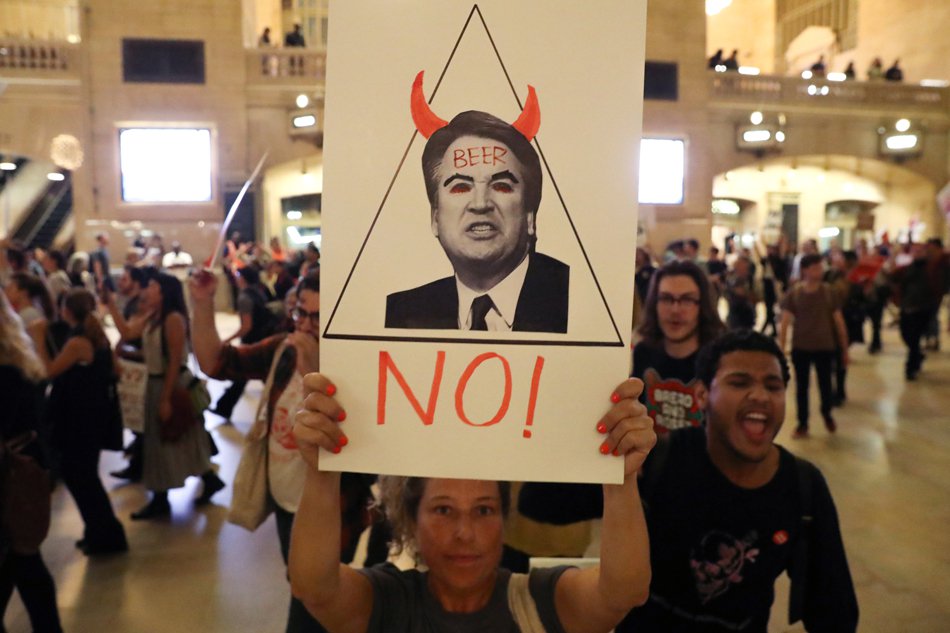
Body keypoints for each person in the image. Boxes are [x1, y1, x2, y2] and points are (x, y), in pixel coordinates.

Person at [288, 373, 656, 633]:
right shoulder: (388, 602)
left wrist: (621, 479)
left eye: (483, 510)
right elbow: (314, 586)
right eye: (443, 510)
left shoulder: (540, 602)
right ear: (411, 520)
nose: (465, 533)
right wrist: (321, 471)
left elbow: (623, 590)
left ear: (504, 519)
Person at [616, 329, 859, 632]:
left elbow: (834, 614)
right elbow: (556, 508)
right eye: (739, 382)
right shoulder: (659, 460)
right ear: (702, 395)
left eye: (773, 386)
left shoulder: (802, 486)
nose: (759, 395)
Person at [191, 271, 374, 632]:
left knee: (316, 597)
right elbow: (215, 362)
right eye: (300, 313)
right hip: (286, 501)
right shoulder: (282, 350)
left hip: (332, 506)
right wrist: (202, 303)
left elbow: (355, 441)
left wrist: (315, 369)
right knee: (299, 584)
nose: (304, 325)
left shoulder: (361, 363)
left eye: (317, 317)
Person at [386, 74, 569, 333]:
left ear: (530, 215)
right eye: (461, 186)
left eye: (501, 186)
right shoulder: (399, 313)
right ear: (435, 217)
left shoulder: (576, 300)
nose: (480, 204)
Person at [104, 272, 224, 519]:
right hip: (158, 384)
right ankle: (199, 482)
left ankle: (163, 497)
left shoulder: (173, 319)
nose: (148, 289)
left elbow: (174, 362)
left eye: (153, 286)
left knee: (171, 438)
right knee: (176, 439)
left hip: (171, 385)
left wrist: (166, 398)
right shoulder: (154, 316)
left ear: (164, 291)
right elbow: (127, 333)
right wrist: (111, 305)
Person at [29, 288, 128, 555]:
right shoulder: (95, 338)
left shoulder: (78, 343)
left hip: (78, 421)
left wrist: (38, 338)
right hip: (90, 417)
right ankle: (98, 531)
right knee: (84, 478)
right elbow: (116, 371)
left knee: (81, 478)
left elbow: (47, 371)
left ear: (67, 311)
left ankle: (107, 535)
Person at [0, 292, 64, 632]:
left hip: (9, 479)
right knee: (26, 564)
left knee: (23, 564)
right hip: (24, 475)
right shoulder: (17, 359)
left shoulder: (7, 370)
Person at [634, 260, 725, 432]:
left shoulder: (719, 362)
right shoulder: (643, 353)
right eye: (666, 298)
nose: (675, 310)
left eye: (687, 299)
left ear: (702, 305)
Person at [779, 254, 849, 437]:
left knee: (825, 384)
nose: (819, 271)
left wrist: (844, 348)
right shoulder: (795, 293)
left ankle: (827, 413)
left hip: (825, 347)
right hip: (801, 347)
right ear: (805, 270)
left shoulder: (829, 292)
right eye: (815, 267)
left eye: (820, 267)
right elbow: (784, 322)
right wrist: (780, 348)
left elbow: (839, 322)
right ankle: (803, 423)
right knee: (802, 387)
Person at [209, 265, 277, 421]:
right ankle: (223, 407)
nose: (236, 277)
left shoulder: (245, 298)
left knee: (241, 374)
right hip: (264, 337)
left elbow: (246, 326)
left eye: (238, 274)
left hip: (253, 341)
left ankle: (224, 407)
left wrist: (227, 340)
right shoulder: (259, 291)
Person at [723, 256, 758, 330]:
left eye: (741, 265)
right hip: (733, 316)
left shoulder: (751, 281)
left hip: (747, 316)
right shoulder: (731, 278)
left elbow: (756, 298)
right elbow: (726, 294)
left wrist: (746, 294)